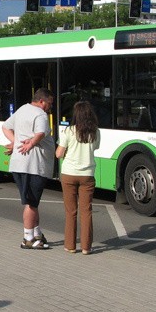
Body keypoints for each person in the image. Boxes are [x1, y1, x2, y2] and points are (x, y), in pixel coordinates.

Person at [2, 87, 55, 250]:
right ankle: (28, 238)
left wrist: (16, 142)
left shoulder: (22, 109)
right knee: (31, 203)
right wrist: (30, 143)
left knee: (33, 202)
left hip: (20, 164)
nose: (50, 107)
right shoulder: (40, 114)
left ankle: (37, 234)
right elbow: (40, 133)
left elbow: (5, 127)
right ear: (41, 101)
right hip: (32, 165)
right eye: (49, 104)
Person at [56, 101, 100, 255]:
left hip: (68, 174)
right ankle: (86, 247)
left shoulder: (68, 131)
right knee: (86, 210)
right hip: (87, 175)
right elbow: (95, 148)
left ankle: (70, 246)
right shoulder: (95, 132)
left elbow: (59, 154)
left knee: (71, 211)